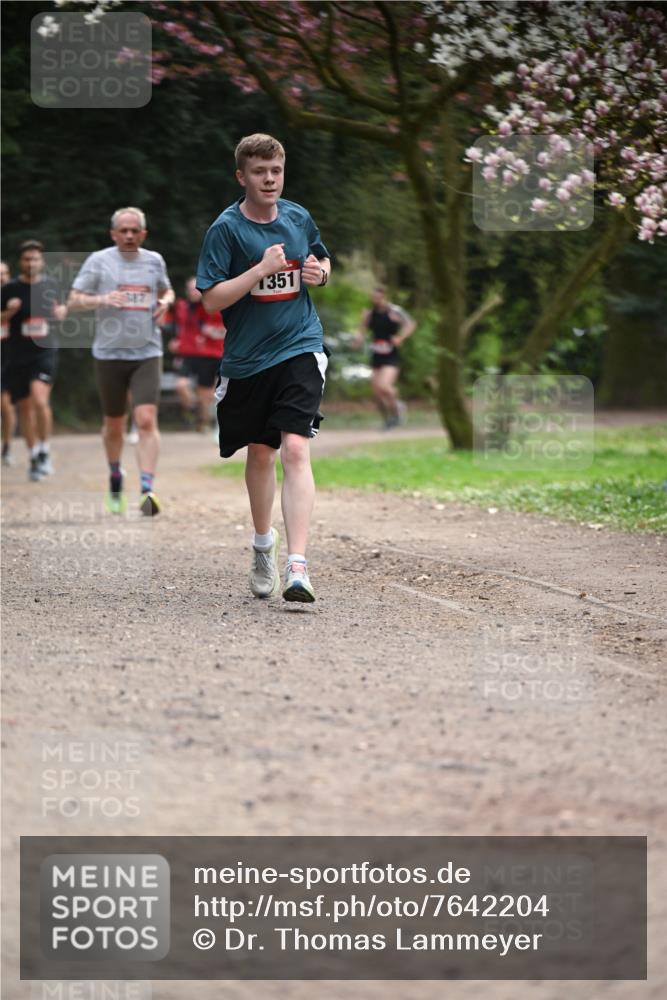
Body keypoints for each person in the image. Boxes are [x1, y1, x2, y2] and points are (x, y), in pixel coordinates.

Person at [196, 133, 331, 603]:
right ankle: (262, 545)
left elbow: (319, 255)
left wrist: (322, 272)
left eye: (275, 170)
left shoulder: (297, 216)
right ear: (242, 176)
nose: (269, 179)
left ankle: (298, 568)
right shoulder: (226, 229)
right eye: (259, 172)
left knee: (295, 449)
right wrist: (257, 270)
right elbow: (211, 298)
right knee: (260, 453)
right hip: (249, 358)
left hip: (300, 344)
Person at [67, 207, 174, 515]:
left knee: (145, 419)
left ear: (143, 234)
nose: (129, 236)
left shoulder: (154, 261)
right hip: (109, 354)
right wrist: (102, 299)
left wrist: (165, 302)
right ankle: (115, 473)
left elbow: (168, 291)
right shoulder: (99, 261)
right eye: (123, 231)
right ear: (113, 234)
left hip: (147, 352)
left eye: (134, 231)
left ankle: (147, 489)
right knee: (114, 425)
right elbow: (73, 300)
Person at [0, 242, 66, 481]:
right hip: (17, 354)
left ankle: (45, 450)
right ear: (21, 262)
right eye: (27, 259)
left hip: (44, 351)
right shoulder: (9, 289)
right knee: (24, 408)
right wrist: (7, 313)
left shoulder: (51, 286)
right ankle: (34, 455)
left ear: (42, 261)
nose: (31, 263)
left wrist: (62, 313)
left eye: (35, 259)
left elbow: (60, 312)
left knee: (40, 400)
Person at [168, 276, 225, 432]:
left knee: (205, 394)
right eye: (190, 289)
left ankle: (203, 422)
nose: (193, 292)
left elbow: (225, 330)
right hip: (187, 353)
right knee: (181, 385)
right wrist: (175, 340)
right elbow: (173, 324)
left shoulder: (212, 306)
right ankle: (192, 410)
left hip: (209, 354)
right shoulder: (181, 306)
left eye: (196, 289)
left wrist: (214, 332)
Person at [355, 285, 415, 429]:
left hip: (391, 355)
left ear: (384, 297)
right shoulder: (370, 314)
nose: (375, 300)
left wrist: (400, 337)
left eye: (378, 297)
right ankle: (388, 420)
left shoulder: (394, 311)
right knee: (376, 393)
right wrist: (358, 339)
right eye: (373, 297)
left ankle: (398, 408)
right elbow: (362, 331)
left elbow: (410, 324)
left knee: (385, 387)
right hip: (377, 354)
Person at [1, 260, 17, 466]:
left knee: (6, 405)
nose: (1, 277)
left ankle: (7, 447)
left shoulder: (16, 295)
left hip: (10, 356)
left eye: (4, 273)